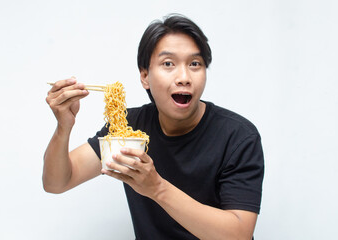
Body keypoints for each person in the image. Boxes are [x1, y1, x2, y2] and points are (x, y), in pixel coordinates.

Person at [44, 14, 264, 240]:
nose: (184, 77)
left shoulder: (238, 137)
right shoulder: (126, 128)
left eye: (195, 64)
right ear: (145, 76)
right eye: (168, 64)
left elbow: (239, 235)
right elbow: (56, 182)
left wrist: (157, 188)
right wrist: (64, 127)